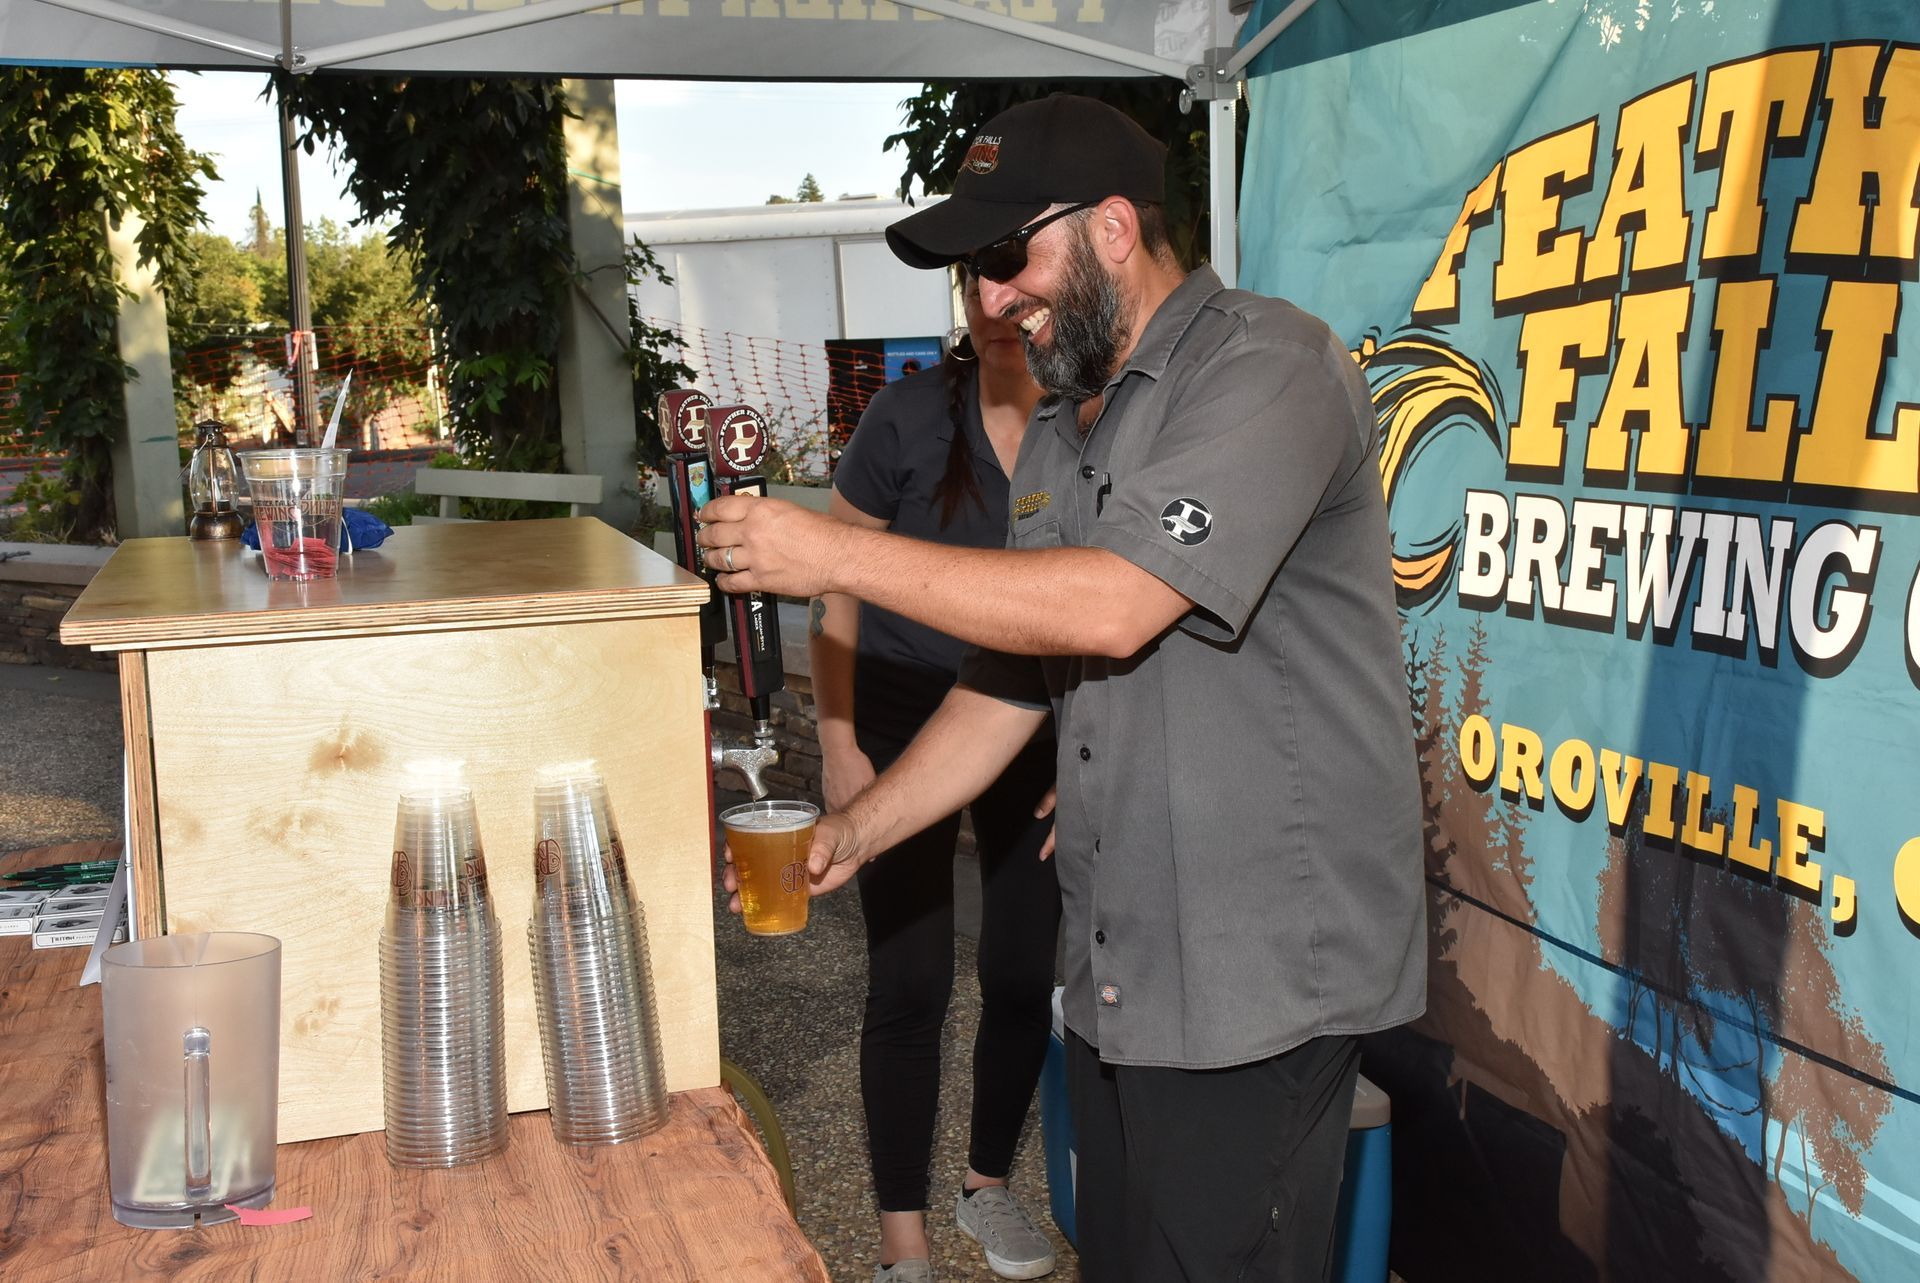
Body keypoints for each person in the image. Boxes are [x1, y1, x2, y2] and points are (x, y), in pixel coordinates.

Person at [698, 93, 1425, 1283]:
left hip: (1259, 978)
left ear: (1117, 229)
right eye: (975, 271)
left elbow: (1114, 601)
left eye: (1006, 256)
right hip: (1127, 969)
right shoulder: (1063, 427)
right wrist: (855, 828)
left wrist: (828, 553)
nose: (989, 299)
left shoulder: (1271, 367)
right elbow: (1015, 680)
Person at [814, 270, 1062, 1283]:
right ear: (962, 294)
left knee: (1016, 970)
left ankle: (985, 1185)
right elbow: (836, 582)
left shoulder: (1091, 421)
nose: (998, 307)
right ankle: (902, 1240)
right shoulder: (906, 417)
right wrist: (837, 740)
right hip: (905, 711)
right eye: (979, 285)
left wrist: (1095, 749)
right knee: (910, 980)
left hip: (1038, 716)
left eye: (1018, 284)